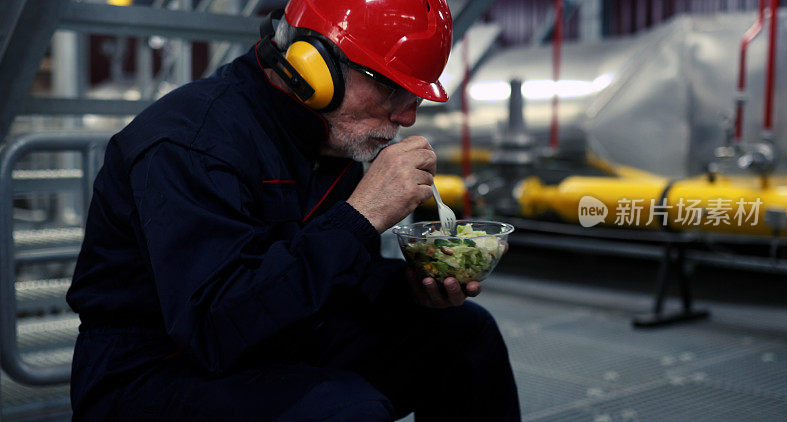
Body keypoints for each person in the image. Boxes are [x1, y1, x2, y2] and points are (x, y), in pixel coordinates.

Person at [66, 0, 520, 420]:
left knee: (465, 336)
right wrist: (359, 216)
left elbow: (330, 280)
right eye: (391, 90)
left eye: (415, 97)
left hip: (277, 336)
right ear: (314, 64)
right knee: (345, 411)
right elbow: (215, 331)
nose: (407, 117)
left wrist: (411, 287)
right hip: (152, 369)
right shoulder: (192, 144)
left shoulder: (329, 134)